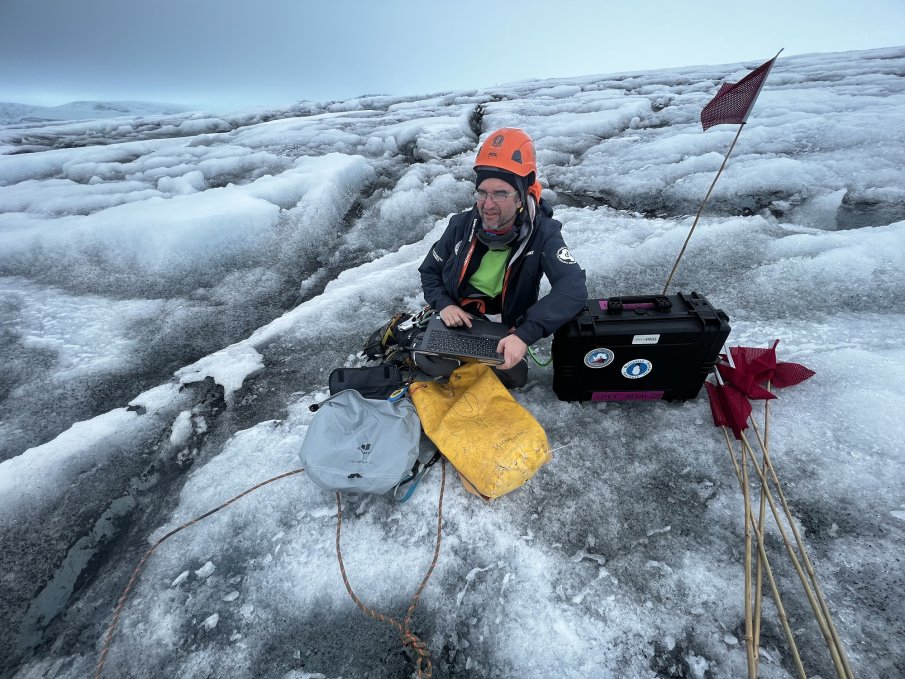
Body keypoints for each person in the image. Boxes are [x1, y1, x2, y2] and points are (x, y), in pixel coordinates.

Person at [417, 128, 588, 388]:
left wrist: (523, 335)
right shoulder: (461, 225)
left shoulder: (543, 234)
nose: (487, 204)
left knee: (513, 377)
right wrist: (444, 305)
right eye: (482, 193)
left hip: (503, 329)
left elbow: (573, 288)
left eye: (500, 194)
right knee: (433, 364)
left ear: (521, 196)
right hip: (456, 321)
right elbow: (430, 270)